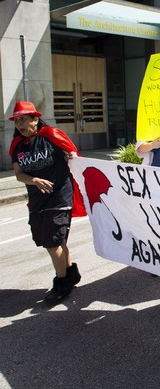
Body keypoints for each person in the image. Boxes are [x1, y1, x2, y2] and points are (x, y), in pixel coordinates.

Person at [9, 101, 84, 304]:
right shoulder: (17, 146)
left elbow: (73, 156)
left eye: (24, 119)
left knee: (53, 243)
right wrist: (33, 180)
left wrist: (71, 156)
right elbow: (19, 174)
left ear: (35, 119)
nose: (20, 124)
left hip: (60, 196)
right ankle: (70, 273)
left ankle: (61, 285)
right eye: (17, 121)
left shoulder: (52, 136)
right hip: (37, 201)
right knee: (51, 242)